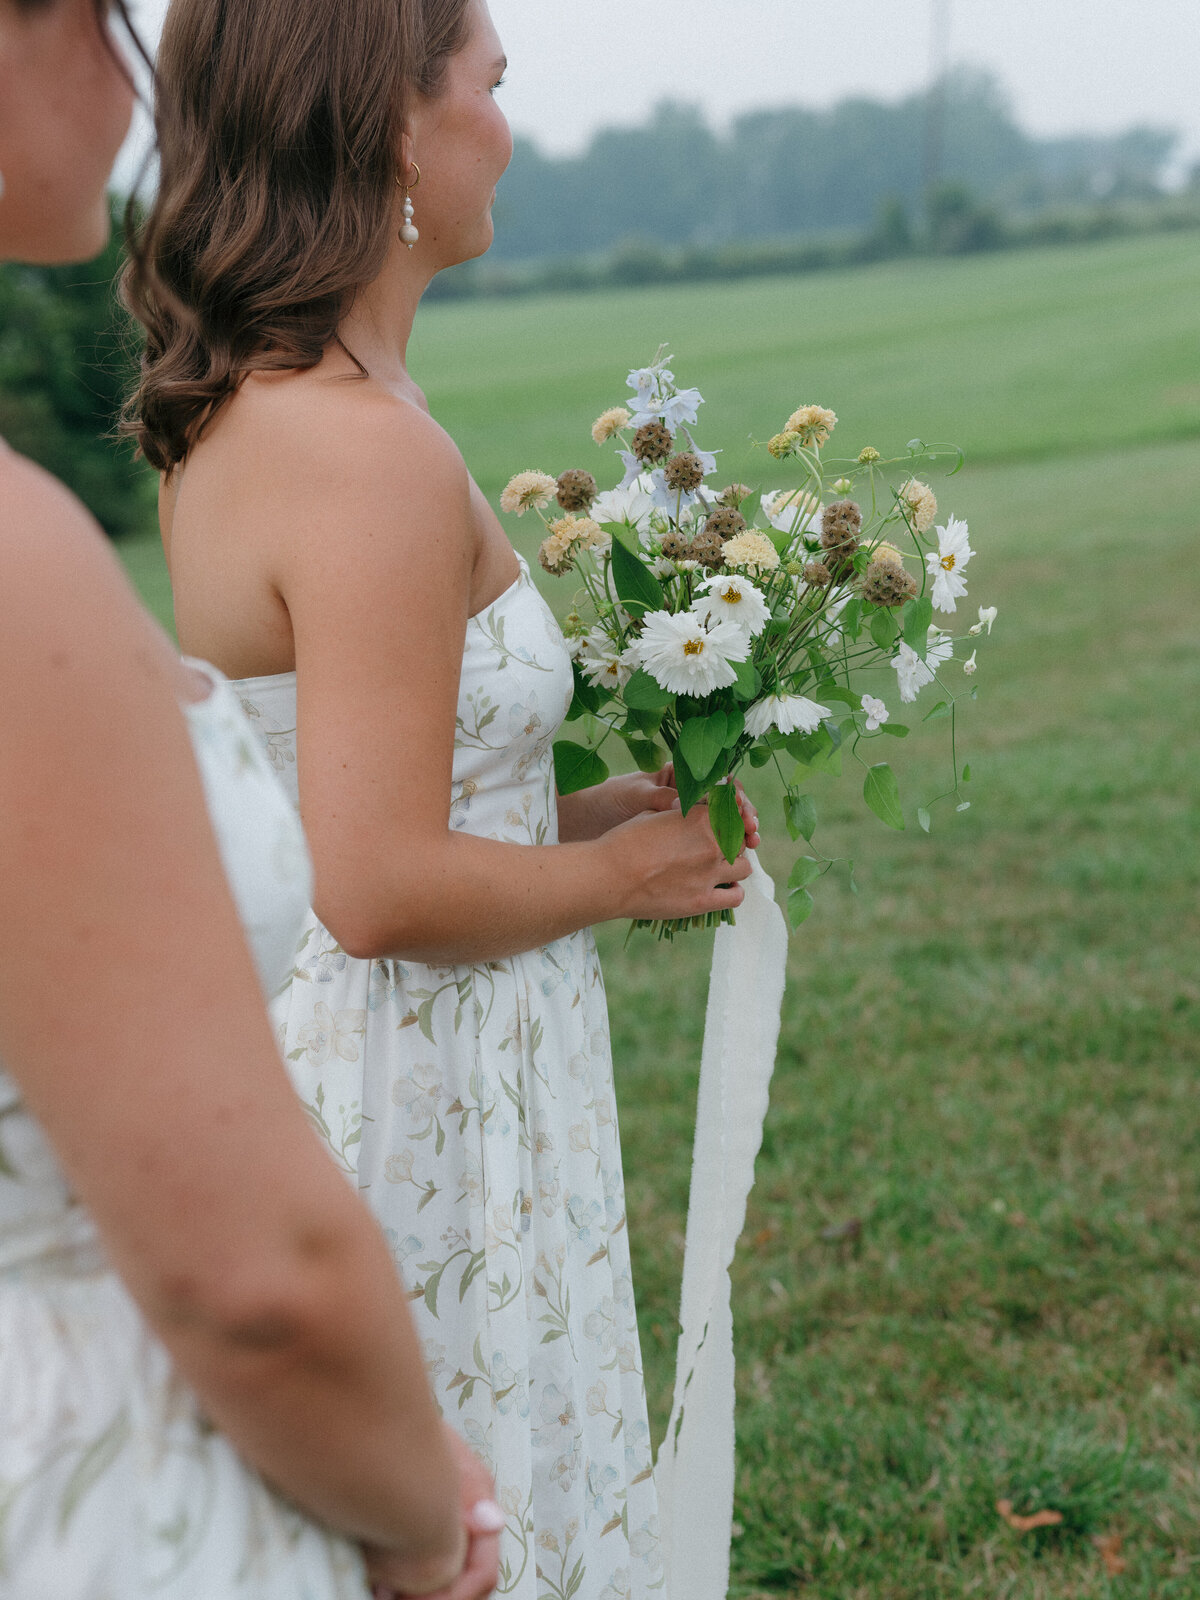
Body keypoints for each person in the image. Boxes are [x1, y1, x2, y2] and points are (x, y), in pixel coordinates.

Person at [126, 0, 761, 1590]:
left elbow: (375, 793)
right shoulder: (359, 453)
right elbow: (379, 881)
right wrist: (631, 884)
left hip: (400, 1050)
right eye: (491, 86)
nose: (510, 126)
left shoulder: (285, 413)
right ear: (396, 126)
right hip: (418, 1095)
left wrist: (610, 814)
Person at [0, 2, 502, 1595]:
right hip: (98, 1490)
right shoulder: (18, 577)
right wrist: (427, 1523)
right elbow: (249, 1277)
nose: (136, 73)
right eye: (98, 13)